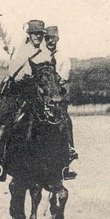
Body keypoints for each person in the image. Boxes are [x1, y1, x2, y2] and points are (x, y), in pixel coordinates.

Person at [0, 3, 55, 178]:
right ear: (29, 34)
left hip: (35, 96)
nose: (37, 37)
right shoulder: (16, 45)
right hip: (15, 93)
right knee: (4, 120)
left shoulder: (45, 54)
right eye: (35, 33)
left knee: (53, 122)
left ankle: (58, 161)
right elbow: (0, 33)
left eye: (40, 34)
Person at [45, 26, 78, 173]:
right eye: (47, 38)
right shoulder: (40, 55)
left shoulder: (63, 57)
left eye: (52, 37)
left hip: (58, 96)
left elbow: (62, 79)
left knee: (65, 120)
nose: (50, 40)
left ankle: (69, 149)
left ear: (58, 38)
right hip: (43, 98)